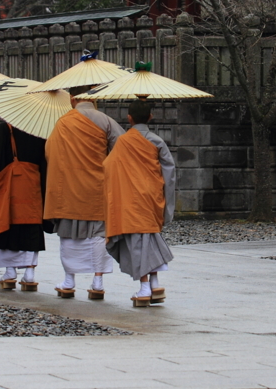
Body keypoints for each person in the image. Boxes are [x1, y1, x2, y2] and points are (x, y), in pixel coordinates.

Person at [43, 85, 124, 299]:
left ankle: (69, 281)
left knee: (69, 235)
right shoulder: (106, 121)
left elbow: (50, 153)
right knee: (98, 235)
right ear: (93, 97)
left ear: (72, 99)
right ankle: (98, 282)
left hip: (69, 188)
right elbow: (121, 150)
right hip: (97, 187)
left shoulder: (62, 123)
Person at [104, 100, 176, 307]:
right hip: (152, 197)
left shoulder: (123, 142)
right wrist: (167, 206)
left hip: (131, 198)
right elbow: (169, 175)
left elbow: (109, 168)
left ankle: (144, 289)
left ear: (129, 118)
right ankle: (154, 284)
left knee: (138, 242)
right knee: (150, 239)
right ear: (151, 117)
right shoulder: (157, 141)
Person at [0, 122, 47, 291]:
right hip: (33, 182)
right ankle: (29, 274)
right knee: (31, 225)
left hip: (10, 184)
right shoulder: (39, 127)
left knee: (7, 223)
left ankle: (10, 273)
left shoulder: (5, 128)